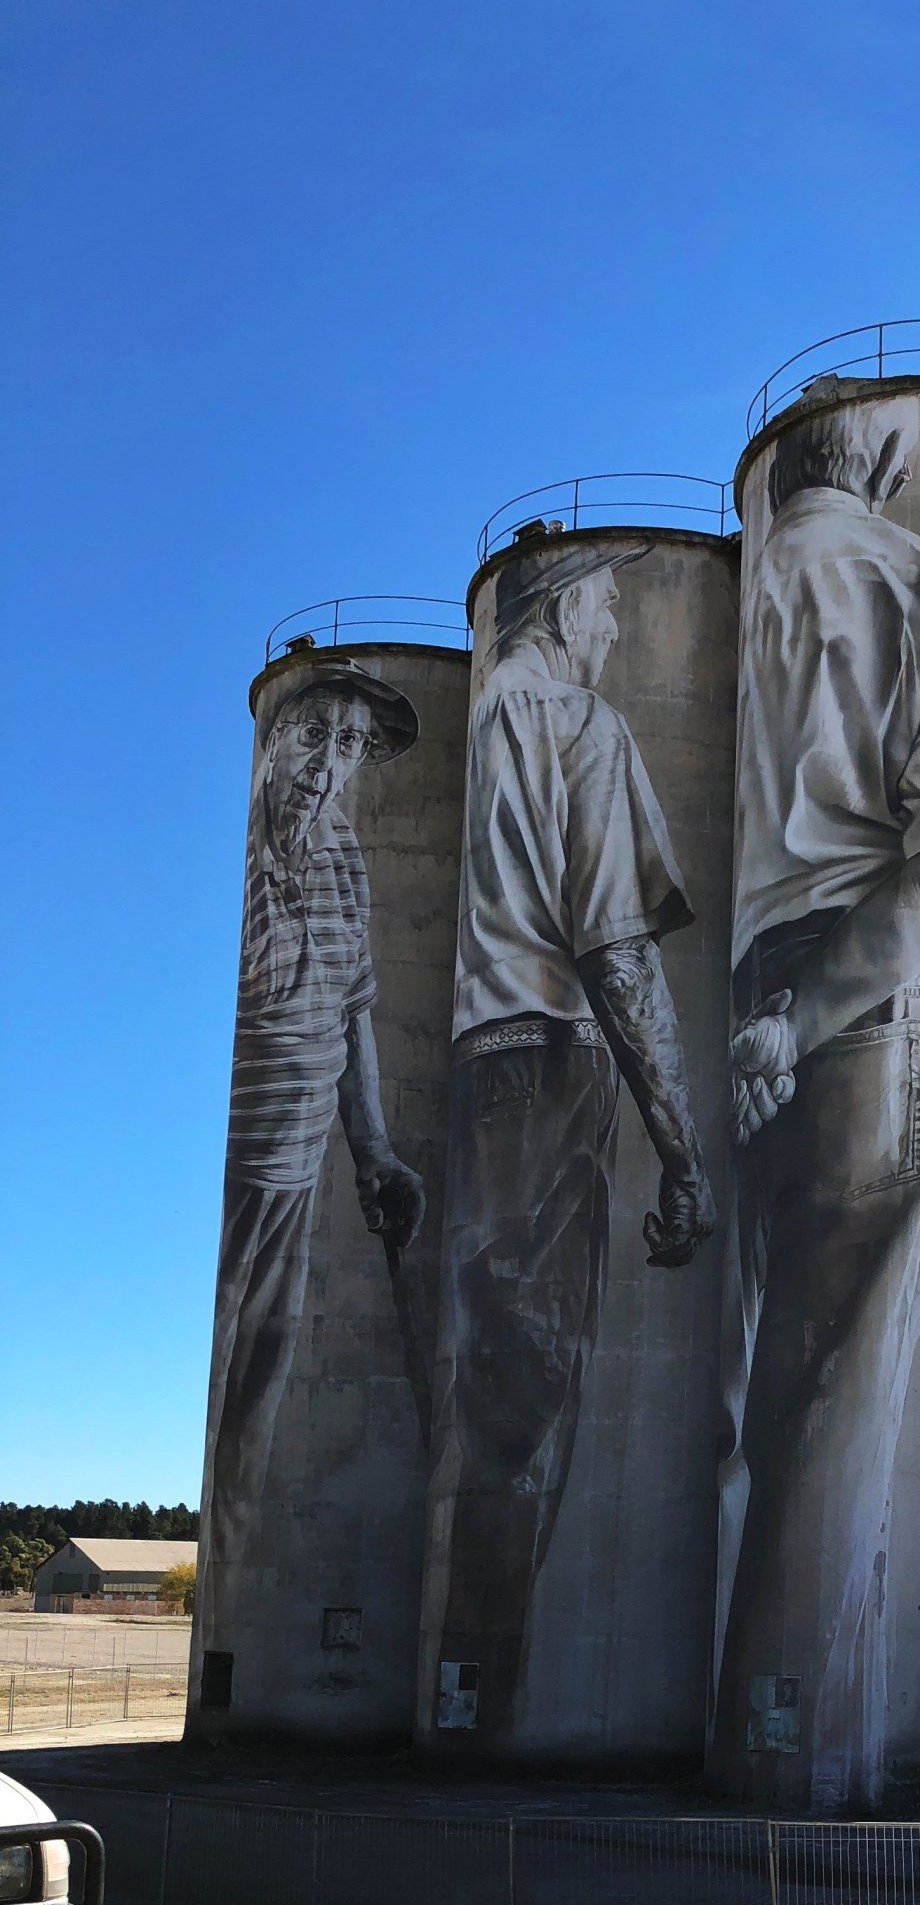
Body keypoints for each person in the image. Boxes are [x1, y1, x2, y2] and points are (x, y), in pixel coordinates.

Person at [710, 398, 920, 1813]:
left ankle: (752, 1741)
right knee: (834, 1423)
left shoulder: (747, 596)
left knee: (760, 1414)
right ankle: (807, 1771)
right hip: (855, 1008)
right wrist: (815, 1014)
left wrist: (763, 1022)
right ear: (896, 466)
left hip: (750, 1016)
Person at [429, 539, 714, 1743]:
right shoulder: (579, 720)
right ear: (556, 609)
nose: (619, 619)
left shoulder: (490, 710)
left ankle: (459, 1688)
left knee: (488, 1388)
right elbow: (617, 947)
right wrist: (683, 1144)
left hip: (477, 1063)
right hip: (554, 1066)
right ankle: (494, 1700)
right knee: (537, 1398)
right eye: (607, 597)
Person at [201, 663, 425, 1649]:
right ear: (272, 743)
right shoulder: (263, 848)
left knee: (263, 1378)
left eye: (346, 745)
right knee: (235, 1377)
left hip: (304, 1161)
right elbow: (283, 985)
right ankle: (236, 1614)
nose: (326, 762)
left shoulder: (339, 850)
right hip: (254, 1158)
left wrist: (374, 1151)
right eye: (310, 735)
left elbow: (351, 1009)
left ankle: (244, 1596)